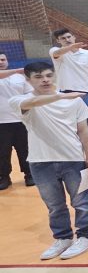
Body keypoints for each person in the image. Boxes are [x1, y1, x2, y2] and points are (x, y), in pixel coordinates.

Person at [11, 62, 88, 260]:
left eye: (49, 75)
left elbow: (83, 130)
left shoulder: (73, 101)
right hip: (41, 161)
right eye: (38, 77)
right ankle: (63, 238)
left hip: (73, 159)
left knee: (82, 202)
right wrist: (60, 96)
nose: (45, 80)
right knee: (54, 205)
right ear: (28, 80)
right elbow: (32, 104)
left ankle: (87, 236)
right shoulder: (21, 100)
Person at [49, 29, 88, 162]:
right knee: (69, 126)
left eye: (69, 37)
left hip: (87, 94)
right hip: (66, 94)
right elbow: (57, 53)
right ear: (58, 41)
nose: (67, 39)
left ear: (74, 37)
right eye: (63, 38)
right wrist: (70, 47)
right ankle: (74, 154)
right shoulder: (56, 52)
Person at [0, 54, 33, 190]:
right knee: (2, 152)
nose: (1, 62)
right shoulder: (16, 72)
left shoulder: (20, 78)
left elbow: (29, 95)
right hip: (1, 123)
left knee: (25, 149)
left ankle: (29, 174)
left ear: (7, 61)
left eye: (3, 59)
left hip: (21, 121)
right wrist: (15, 70)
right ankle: (4, 177)